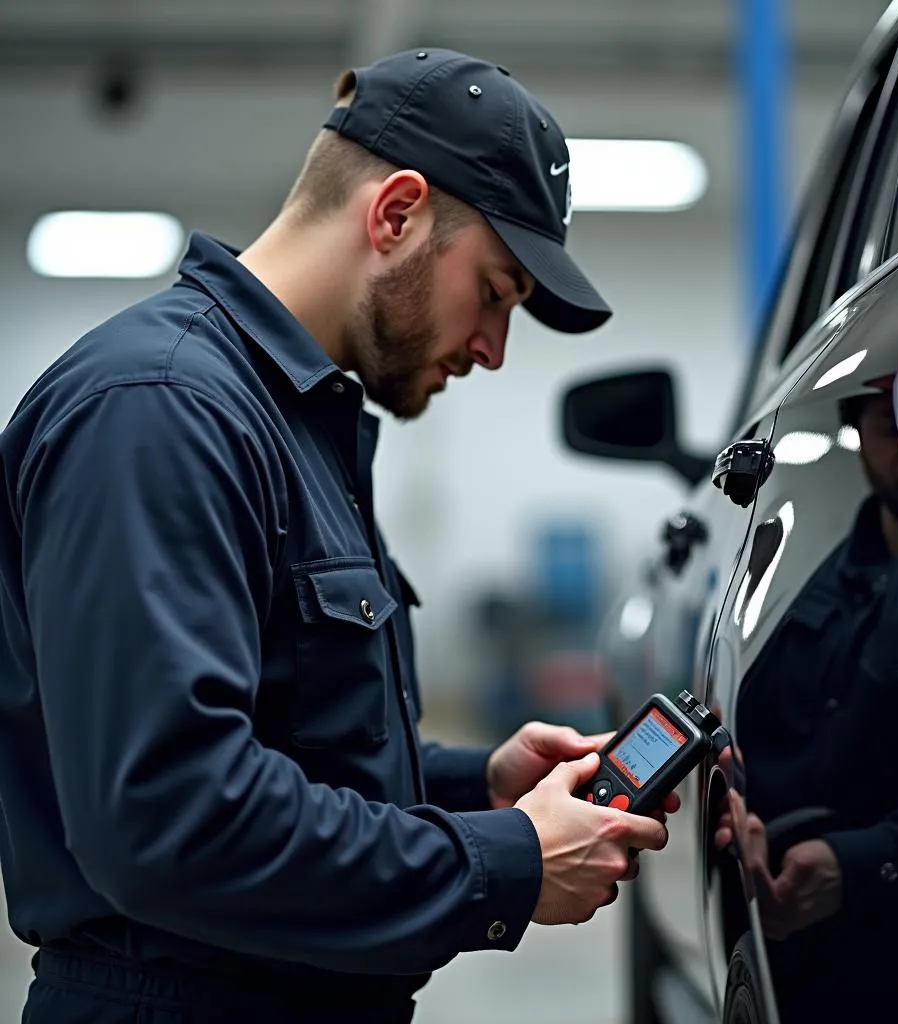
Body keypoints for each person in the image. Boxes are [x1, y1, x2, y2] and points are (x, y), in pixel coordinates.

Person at [0, 49, 678, 1024]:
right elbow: (168, 815)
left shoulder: (287, 424)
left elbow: (281, 733)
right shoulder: (159, 409)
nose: (492, 349)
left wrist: (473, 785)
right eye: (493, 292)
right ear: (395, 214)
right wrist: (508, 861)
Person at [718, 386, 898, 1023]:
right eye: (891, 425)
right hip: (794, 945)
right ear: (855, 432)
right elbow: (749, 735)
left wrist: (865, 862)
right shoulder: (818, 579)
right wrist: (736, 822)